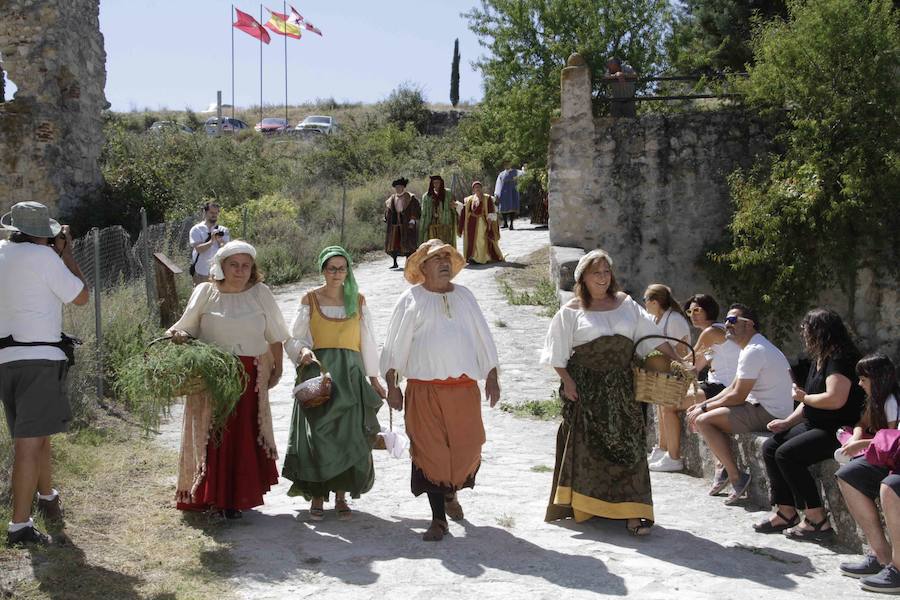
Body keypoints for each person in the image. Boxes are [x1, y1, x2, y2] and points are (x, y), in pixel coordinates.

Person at [540, 250, 686, 536]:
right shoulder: (570, 312)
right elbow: (556, 354)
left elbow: (651, 339)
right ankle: (588, 506)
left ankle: (635, 512)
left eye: (607, 271)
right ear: (583, 277)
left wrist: (679, 361)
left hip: (623, 387)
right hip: (586, 389)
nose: (603, 278)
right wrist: (568, 382)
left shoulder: (627, 304)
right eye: (597, 273)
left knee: (631, 446)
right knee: (589, 450)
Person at [380, 239, 501, 542]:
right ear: (422, 267)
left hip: (463, 389)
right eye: (436, 259)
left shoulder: (465, 297)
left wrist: (492, 375)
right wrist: (393, 385)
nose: (445, 263)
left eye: (447, 257)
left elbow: (483, 337)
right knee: (431, 452)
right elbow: (394, 345)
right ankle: (438, 519)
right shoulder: (411, 299)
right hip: (424, 390)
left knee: (467, 447)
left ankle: (450, 492)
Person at [168, 240, 288, 519]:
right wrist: (180, 337)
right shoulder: (205, 292)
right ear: (221, 266)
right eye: (234, 264)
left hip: (249, 377)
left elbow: (275, 335)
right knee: (212, 433)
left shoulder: (261, 293)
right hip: (212, 375)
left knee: (240, 434)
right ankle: (206, 495)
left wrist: (278, 369)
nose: (240, 270)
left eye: (246, 265)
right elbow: (185, 327)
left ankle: (234, 500)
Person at [0, 201, 89, 546]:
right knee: (28, 444)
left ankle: (47, 496)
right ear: (46, 233)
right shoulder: (46, 258)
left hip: (6, 358)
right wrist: (65, 255)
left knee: (37, 435)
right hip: (39, 358)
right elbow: (81, 297)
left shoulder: (3, 253)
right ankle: (19, 527)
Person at [282, 246, 386, 521]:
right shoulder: (310, 299)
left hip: (350, 375)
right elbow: (294, 338)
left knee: (347, 434)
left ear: (348, 270)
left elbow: (368, 341)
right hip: (320, 373)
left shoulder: (358, 300)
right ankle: (317, 496)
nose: (337, 273)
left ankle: (341, 496)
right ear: (323, 270)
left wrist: (374, 377)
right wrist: (302, 352)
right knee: (318, 435)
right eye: (332, 268)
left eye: (342, 268)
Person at [754, 309, 863, 541]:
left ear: (820, 331)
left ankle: (816, 519)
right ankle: (786, 511)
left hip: (839, 430)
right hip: (818, 423)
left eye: (806, 328)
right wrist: (787, 422)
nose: (803, 333)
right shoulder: (821, 358)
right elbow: (809, 398)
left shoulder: (840, 360)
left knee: (787, 455)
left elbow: (834, 399)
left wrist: (803, 398)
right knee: (771, 447)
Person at [686, 303, 794, 505]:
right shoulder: (752, 347)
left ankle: (735, 477)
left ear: (749, 325)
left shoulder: (754, 350)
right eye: (726, 321)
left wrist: (704, 408)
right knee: (703, 415)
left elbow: (737, 396)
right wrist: (705, 403)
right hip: (764, 408)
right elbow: (732, 388)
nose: (727, 325)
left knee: (704, 421)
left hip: (770, 413)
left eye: (733, 321)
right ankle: (725, 469)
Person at [657, 294, 741, 484]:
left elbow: (689, 362)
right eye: (689, 311)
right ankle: (664, 452)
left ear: (708, 310)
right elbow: (695, 367)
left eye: (697, 310)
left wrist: (663, 361)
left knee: (667, 403)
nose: (692, 315)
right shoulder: (716, 331)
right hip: (719, 386)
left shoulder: (710, 332)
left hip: (722, 388)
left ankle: (673, 457)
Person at [835, 354, 900, 588]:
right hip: (885, 454)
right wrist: (855, 437)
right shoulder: (876, 399)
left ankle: (895, 565)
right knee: (847, 475)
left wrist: (860, 445)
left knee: (889, 486)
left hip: (890, 457)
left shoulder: (891, 401)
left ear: (877, 379)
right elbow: (862, 424)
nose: (860, 384)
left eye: (863, 379)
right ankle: (879, 553)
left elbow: (891, 441)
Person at [642, 284, 693, 473]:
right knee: (659, 407)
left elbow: (680, 349)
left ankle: (672, 455)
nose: (644, 304)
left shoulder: (674, 319)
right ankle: (662, 448)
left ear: (654, 302)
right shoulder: (659, 318)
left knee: (665, 406)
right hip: (664, 370)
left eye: (645, 300)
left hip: (676, 372)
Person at [457, 181, 503, 264]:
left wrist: (489, 222)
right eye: (475, 187)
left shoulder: (487, 198)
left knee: (482, 239)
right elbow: (465, 210)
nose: (477, 189)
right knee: (472, 240)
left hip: (483, 222)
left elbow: (491, 210)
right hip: (472, 223)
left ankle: (483, 257)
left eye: (478, 187)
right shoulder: (469, 199)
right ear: (473, 189)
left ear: (481, 188)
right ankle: (473, 257)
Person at [189, 201, 230, 285]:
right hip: (201, 271)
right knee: (201, 296)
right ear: (205, 212)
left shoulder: (223, 230)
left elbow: (226, 250)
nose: (214, 215)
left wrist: (220, 241)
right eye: (211, 212)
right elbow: (199, 249)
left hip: (218, 271)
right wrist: (212, 241)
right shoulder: (196, 229)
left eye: (216, 213)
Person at [384, 177, 421, 270]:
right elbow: (388, 210)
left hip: (406, 224)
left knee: (408, 244)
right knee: (394, 244)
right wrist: (386, 217)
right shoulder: (392, 198)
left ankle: (408, 262)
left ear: (403, 187)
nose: (398, 189)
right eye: (396, 187)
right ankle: (395, 262)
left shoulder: (410, 197)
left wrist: (412, 220)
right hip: (395, 224)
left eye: (400, 187)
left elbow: (415, 209)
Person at [418, 175, 457, 246]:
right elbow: (424, 213)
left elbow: (454, 208)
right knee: (432, 244)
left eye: (438, 182)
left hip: (445, 224)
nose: (436, 184)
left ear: (441, 183)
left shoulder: (448, 194)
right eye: (434, 183)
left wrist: (454, 206)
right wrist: (423, 226)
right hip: (432, 225)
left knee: (445, 244)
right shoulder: (426, 196)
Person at [493, 163, 526, 230]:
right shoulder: (501, 174)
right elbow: (498, 184)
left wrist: (524, 169)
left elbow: (523, 174)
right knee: (503, 208)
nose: (506, 165)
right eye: (505, 164)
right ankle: (505, 223)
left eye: (508, 164)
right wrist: (497, 193)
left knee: (512, 207)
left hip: (513, 192)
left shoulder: (516, 172)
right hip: (504, 193)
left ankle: (511, 224)